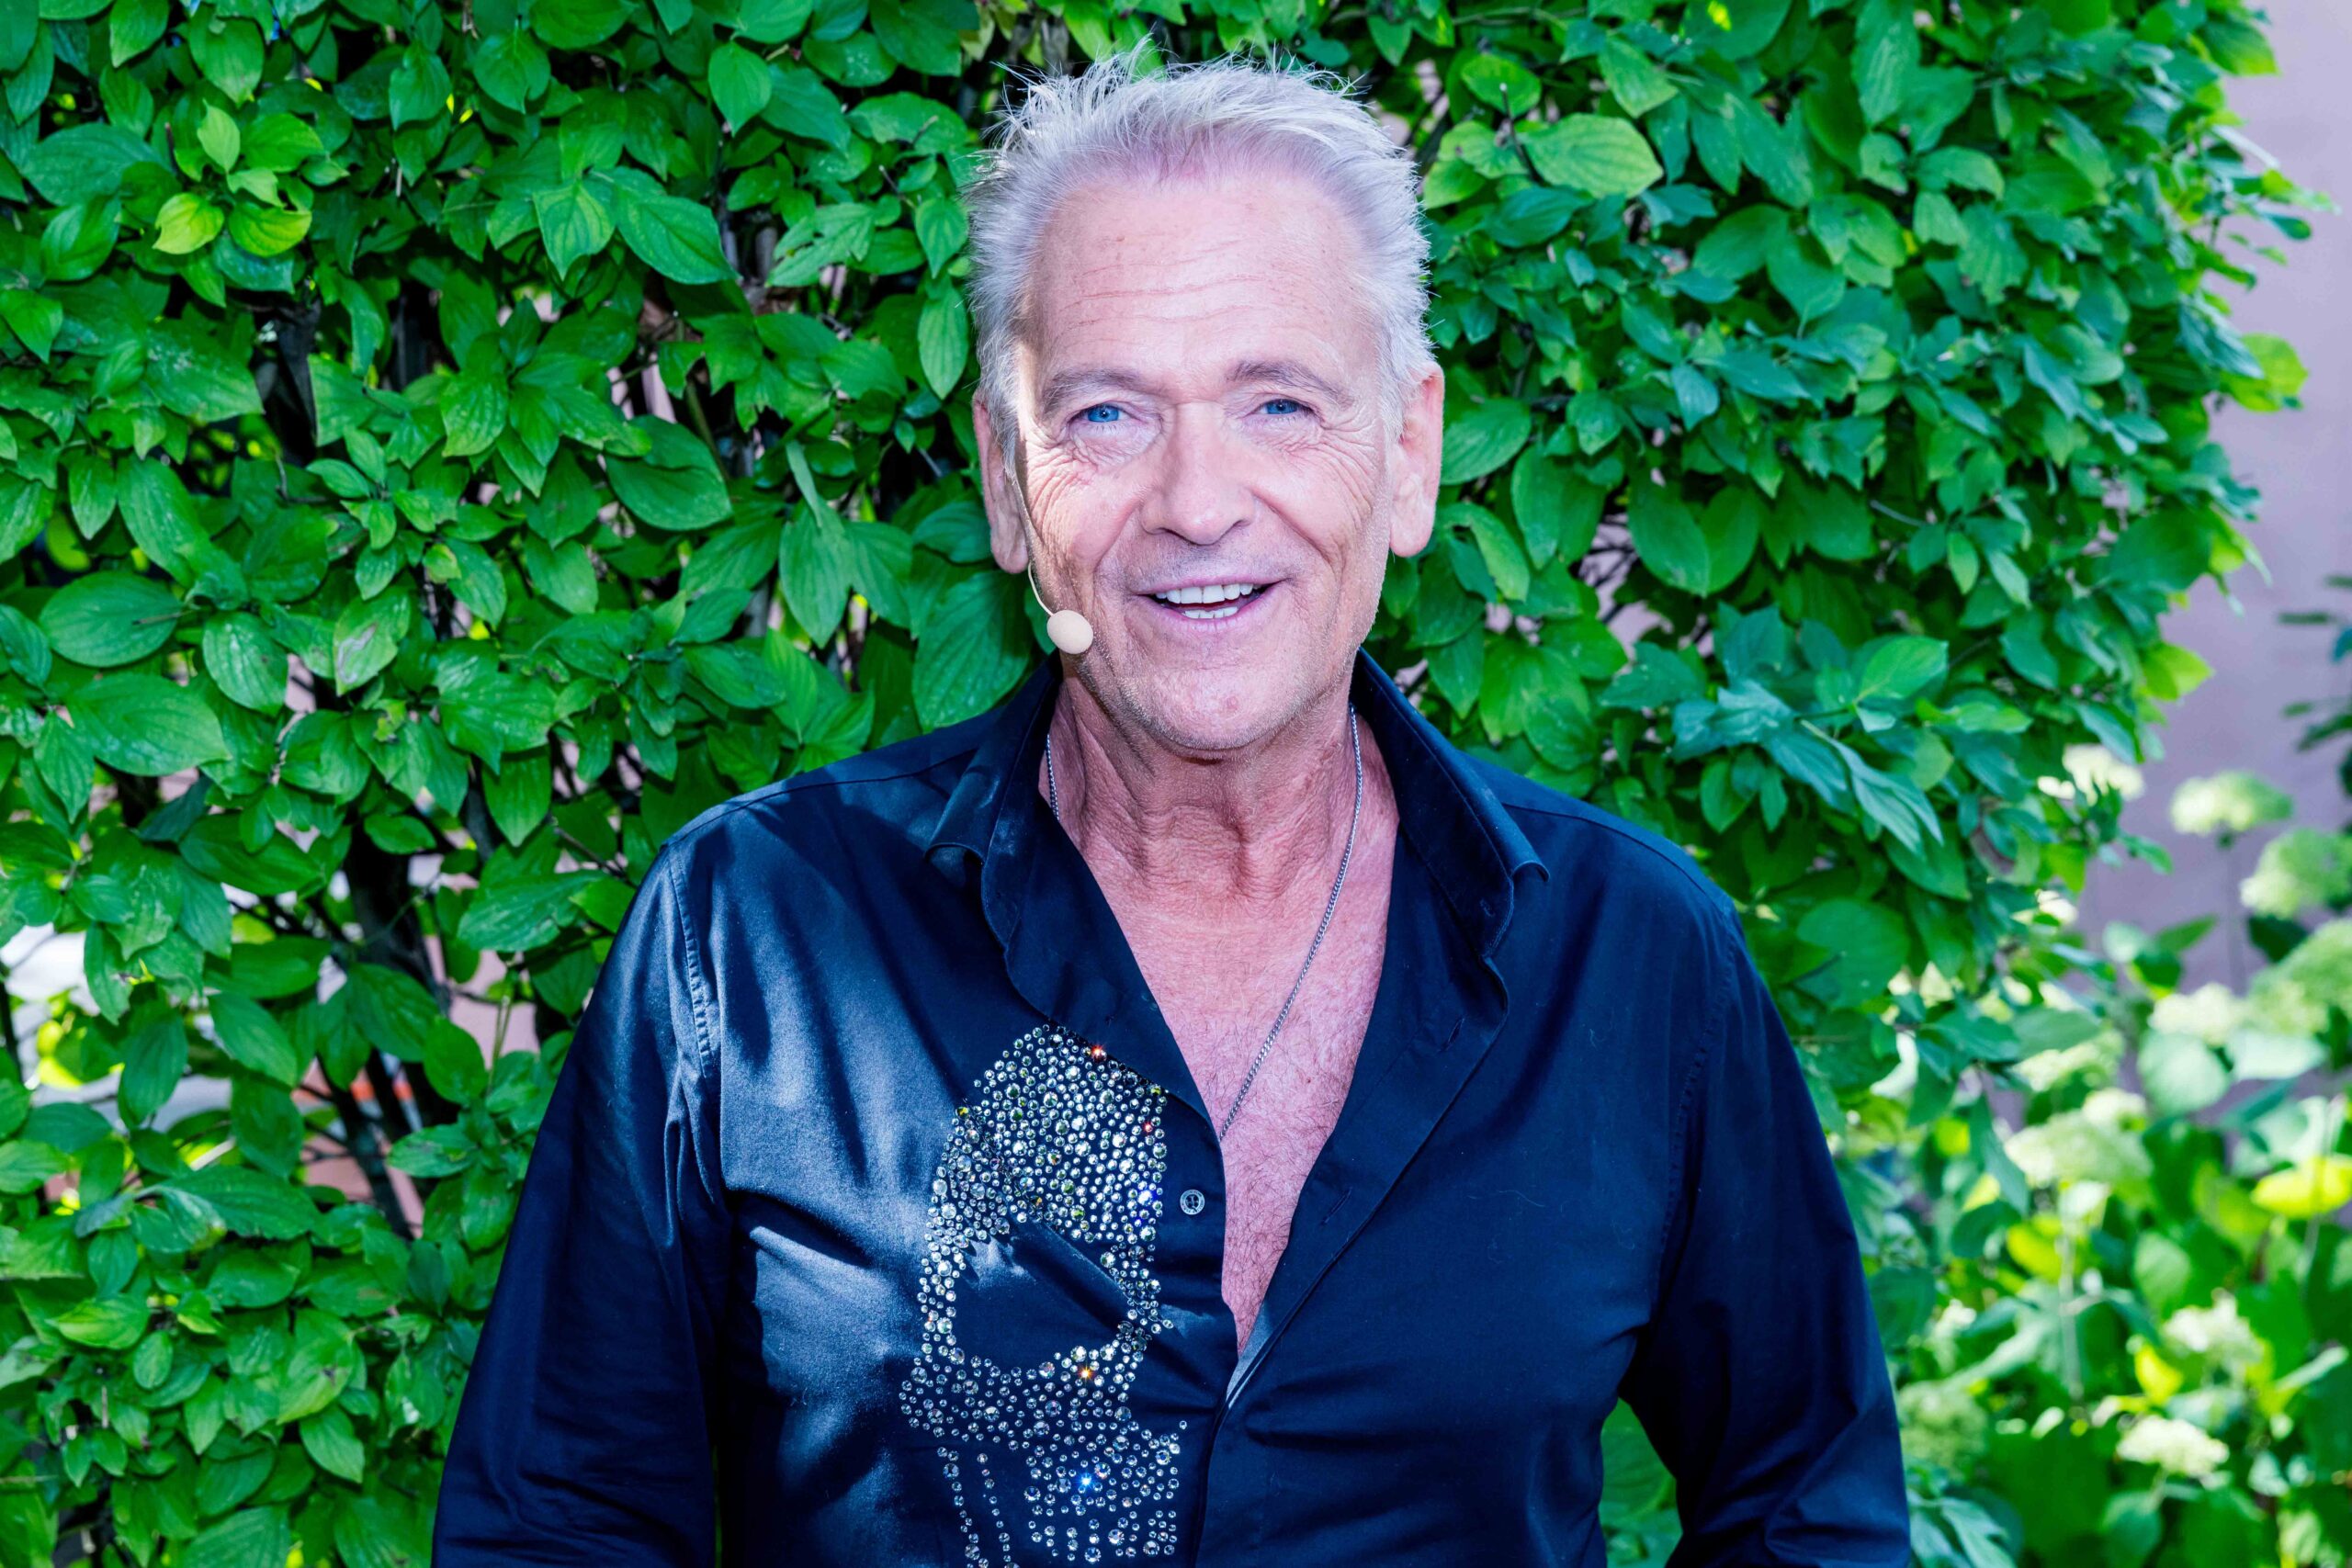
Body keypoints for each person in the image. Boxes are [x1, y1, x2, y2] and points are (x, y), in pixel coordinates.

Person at [431, 40, 1910, 1567]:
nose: (1198, 504)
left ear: (1409, 453)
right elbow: (557, 1529)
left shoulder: (1631, 957)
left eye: (1278, 404)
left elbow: (1809, 1511)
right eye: (1107, 417)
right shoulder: (754, 934)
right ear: (1007, 483)